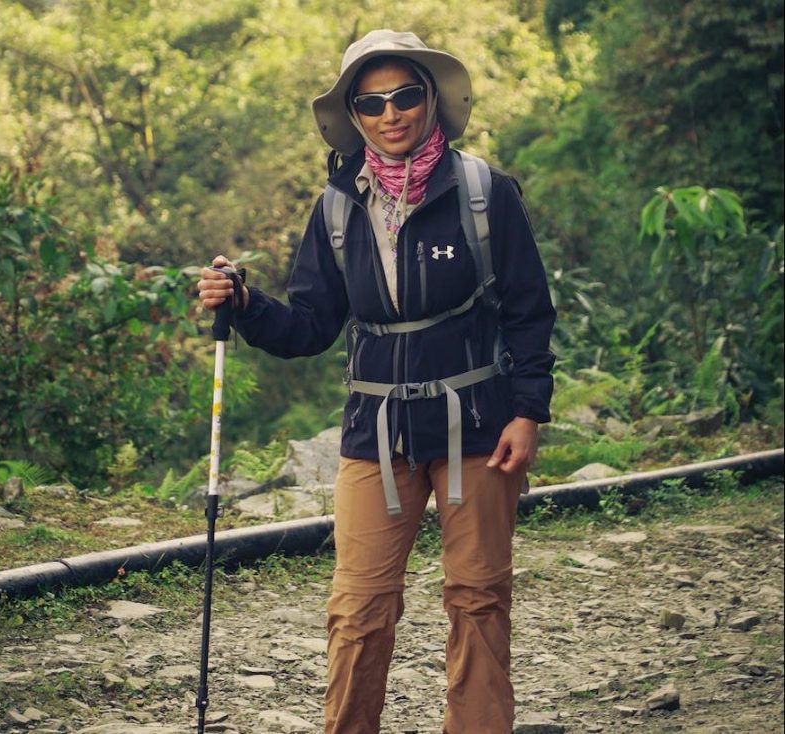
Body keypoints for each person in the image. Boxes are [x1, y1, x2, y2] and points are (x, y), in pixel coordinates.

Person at [198, 29, 555, 734]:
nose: (390, 114)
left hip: (479, 427)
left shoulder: (485, 193)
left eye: (404, 96)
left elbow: (528, 310)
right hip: (376, 435)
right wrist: (244, 304)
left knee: (478, 597)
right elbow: (308, 326)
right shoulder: (337, 208)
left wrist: (528, 411)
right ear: (354, 115)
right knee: (359, 606)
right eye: (371, 102)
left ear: (429, 100)